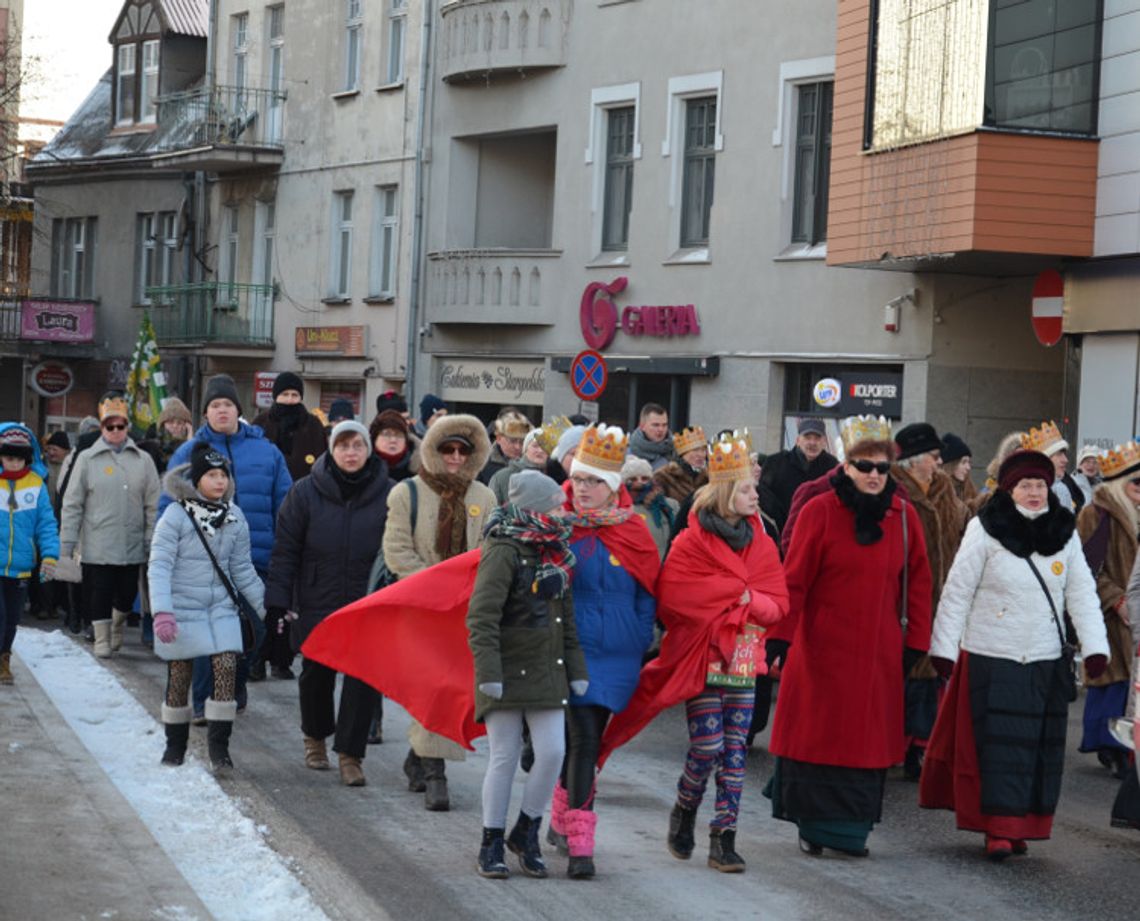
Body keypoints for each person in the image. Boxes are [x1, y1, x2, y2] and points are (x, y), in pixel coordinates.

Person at [602, 434, 788, 873]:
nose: (755, 494)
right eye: (746, 488)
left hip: (744, 657)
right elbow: (675, 598)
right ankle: (686, 805)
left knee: (736, 749)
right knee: (708, 746)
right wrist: (735, 596)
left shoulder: (763, 540)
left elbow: (778, 601)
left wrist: (745, 601)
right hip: (700, 656)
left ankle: (724, 836)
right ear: (726, 491)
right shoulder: (690, 541)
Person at [920, 449, 1109, 861]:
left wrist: (1096, 647)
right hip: (992, 654)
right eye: (1026, 485)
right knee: (997, 749)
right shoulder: (984, 529)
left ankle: (1023, 824)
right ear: (1009, 489)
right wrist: (944, 649)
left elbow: (1081, 594)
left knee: (1035, 752)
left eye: (1040, 485)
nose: (1034, 493)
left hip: (1042, 656)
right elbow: (957, 592)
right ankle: (997, 830)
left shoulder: (1065, 532)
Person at [765, 415, 932, 858]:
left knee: (865, 742)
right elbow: (794, 580)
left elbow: (918, 582)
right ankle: (812, 825)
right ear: (846, 467)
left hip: (877, 651)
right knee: (819, 737)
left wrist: (917, 640)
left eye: (882, 468)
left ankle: (850, 830)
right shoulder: (819, 511)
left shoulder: (903, 517)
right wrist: (780, 637)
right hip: (821, 647)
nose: (874, 476)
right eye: (864, 466)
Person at [546, 424, 659, 879]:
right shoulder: (558, 528)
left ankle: (559, 817)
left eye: (596, 481)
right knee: (585, 739)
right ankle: (580, 844)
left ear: (613, 488)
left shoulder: (634, 531)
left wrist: (638, 632)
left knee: (584, 745)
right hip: (573, 652)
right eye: (581, 480)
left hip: (621, 657)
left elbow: (649, 589)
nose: (584, 488)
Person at [467, 470, 588, 879]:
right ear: (535, 510)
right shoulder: (502, 548)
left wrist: (577, 669)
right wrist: (488, 671)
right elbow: (482, 616)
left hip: (546, 669)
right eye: (556, 505)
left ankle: (527, 829)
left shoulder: (557, 551)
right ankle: (491, 840)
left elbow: (565, 621)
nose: (563, 510)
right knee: (503, 756)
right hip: (503, 668)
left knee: (553, 751)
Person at [265, 421, 392, 787]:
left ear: (368, 450)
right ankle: (315, 738)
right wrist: (278, 602)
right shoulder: (305, 492)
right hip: (317, 598)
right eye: (343, 446)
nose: (351, 453)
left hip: (368, 601)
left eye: (357, 446)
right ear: (331, 450)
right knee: (316, 676)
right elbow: (286, 551)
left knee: (363, 680)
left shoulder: (389, 493)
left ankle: (351, 755)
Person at [382, 413, 496, 809]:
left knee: (454, 689)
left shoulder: (484, 497)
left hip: (466, 609)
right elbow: (397, 551)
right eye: (447, 448)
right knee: (432, 687)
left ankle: (419, 757)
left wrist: (469, 590)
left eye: (463, 450)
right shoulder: (406, 494)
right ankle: (436, 775)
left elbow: (490, 554)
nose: (455, 457)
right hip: (421, 607)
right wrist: (434, 586)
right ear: (432, 449)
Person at [163, 375, 292, 708]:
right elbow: (168, 506)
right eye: (215, 405)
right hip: (203, 563)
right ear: (205, 413)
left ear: (239, 409)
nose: (222, 411)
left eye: (228, 405)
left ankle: (233, 683)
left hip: (256, 559)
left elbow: (287, 506)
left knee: (256, 631)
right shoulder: (189, 453)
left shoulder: (267, 452)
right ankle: (208, 702)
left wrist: (285, 551)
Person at [148, 444, 264, 772]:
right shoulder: (175, 516)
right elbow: (159, 566)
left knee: (227, 666)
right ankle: (175, 745)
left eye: (223, 475)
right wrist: (163, 612)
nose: (219, 481)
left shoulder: (234, 516)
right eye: (211, 475)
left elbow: (242, 568)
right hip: (182, 607)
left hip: (221, 609)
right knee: (180, 673)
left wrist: (265, 608)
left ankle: (219, 748)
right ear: (197, 480)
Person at [892, 421, 968, 776]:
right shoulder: (894, 492)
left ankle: (920, 746)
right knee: (905, 675)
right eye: (934, 457)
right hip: (903, 600)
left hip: (943, 598)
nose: (939, 464)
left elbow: (965, 528)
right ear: (912, 461)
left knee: (931, 675)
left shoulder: (946, 491)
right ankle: (900, 744)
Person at [61, 394, 160, 658]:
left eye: (121, 426)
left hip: (132, 541)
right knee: (100, 591)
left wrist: (151, 536)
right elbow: (72, 503)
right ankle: (102, 639)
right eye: (109, 426)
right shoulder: (87, 459)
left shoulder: (143, 461)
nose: (116, 431)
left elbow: (153, 504)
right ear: (102, 429)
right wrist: (67, 541)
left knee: (127, 594)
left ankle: (117, 625)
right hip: (98, 540)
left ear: (128, 428)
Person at [1076, 443, 1140, 780]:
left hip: (1137, 612)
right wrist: (1116, 599)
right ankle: (1110, 745)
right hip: (1111, 616)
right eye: (1137, 484)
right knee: (1113, 682)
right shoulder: (1096, 515)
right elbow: (1085, 569)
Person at [0, 425, 60, 684]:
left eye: (18, 458)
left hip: (22, 564)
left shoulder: (36, 485)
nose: (13, 463)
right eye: (8, 457)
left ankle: (4, 658)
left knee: (12, 619)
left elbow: (46, 524)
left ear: (27, 458)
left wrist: (49, 556)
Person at [759, 417, 839, 535]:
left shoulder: (832, 467)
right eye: (807, 437)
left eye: (817, 438)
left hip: (818, 535)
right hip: (781, 534)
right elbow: (764, 498)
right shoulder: (776, 463)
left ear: (824, 442)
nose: (812, 443)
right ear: (797, 440)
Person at [253, 372, 328, 483]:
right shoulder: (261, 423)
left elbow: (323, 460)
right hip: (267, 488)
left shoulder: (313, 425)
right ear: (276, 396)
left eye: (294, 395)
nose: (289, 400)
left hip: (306, 489)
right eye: (285, 394)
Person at [621, 456, 677, 560]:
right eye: (633, 479)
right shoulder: (620, 510)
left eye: (644, 478)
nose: (639, 483)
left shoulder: (669, 505)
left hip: (670, 565)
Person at [1025, 421, 1083, 514]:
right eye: (1059, 454)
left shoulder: (1062, 488)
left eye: (1064, 454)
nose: (1065, 460)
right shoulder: (1024, 491)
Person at [488, 423, 554, 505]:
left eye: (545, 446)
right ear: (525, 449)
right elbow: (491, 511)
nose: (540, 450)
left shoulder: (555, 477)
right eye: (535, 446)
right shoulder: (502, 477)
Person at [654, 426, 709, 503]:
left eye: (703, 450)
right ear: (682, 454)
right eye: (695, 450)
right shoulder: (664, 477)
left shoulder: (708, 478)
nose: (700, 454)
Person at [480, 410, 532, 486]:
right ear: (498, 438)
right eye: (512, 441)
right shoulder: (481, 464)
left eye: (522, 441)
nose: (518, 447)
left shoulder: (534, 462)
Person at [627, 403, 673, 471]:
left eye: (664, 425)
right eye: (655, 425)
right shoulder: (626, 455)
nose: (661, 429)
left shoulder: (676, 452)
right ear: (642, 426)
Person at [941, 433, 977, 505]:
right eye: (964, 462)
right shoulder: (938, 491)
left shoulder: (969, 489)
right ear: (951, 464)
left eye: (969, 462)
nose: (968, 467)